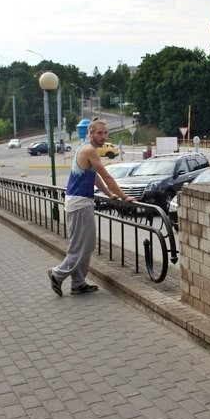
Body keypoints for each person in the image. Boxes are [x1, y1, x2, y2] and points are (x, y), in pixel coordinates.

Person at [48, 119, 135, 296]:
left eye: (105, 133)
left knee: (86, 245)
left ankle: (78, 283)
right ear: (91, 133)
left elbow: (95, 177)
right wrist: (124, 196)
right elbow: (107, 176)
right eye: (99, 133)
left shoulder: (86, 148)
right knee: (80, 246)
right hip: (79, 203)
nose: (103, 136)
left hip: (81, 201)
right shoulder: (89, 150)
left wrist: (110, 194)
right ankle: (57, 273)